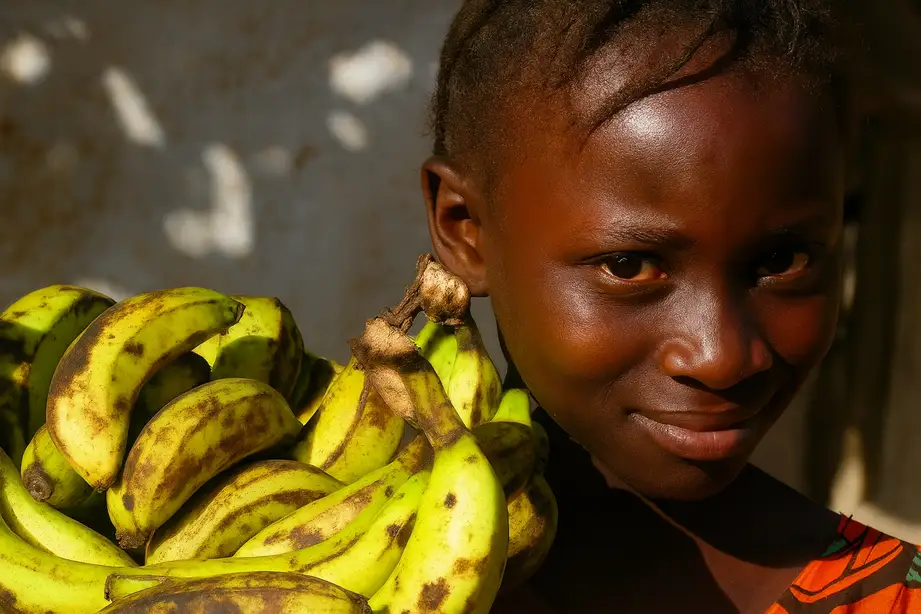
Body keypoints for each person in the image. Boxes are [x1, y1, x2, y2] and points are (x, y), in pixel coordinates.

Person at [418, 1, 921, 612]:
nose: (722, 357)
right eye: (628, 265)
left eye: (783, 261)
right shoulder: (296, 549)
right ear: (465, 228)